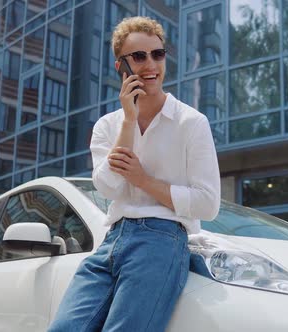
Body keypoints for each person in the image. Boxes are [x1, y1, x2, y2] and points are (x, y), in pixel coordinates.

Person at [48, 16, 221, 332]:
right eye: (138, 57)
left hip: (162, 238)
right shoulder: (107, 126)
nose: (150, 64)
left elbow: (208, 204)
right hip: (111, 240)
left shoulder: (191, 122)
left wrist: (144, 181)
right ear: (120, 66)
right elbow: (108, 188)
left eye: (157, 54)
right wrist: (129, 121)